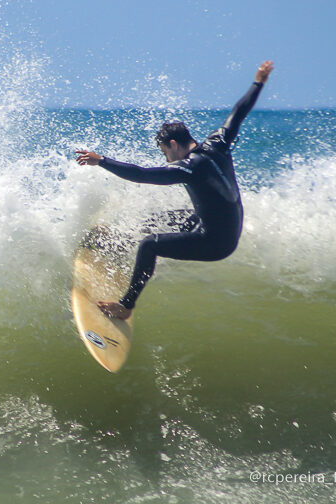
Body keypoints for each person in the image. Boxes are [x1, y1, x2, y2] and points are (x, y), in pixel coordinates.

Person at [76, 60, 274, 320]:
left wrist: (102, 161)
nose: (167, 160)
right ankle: (118, 245)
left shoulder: (188, 167)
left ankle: (126, 306)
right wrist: (258, 81)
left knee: (149, 245)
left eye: (165, 153)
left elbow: (141, 174)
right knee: (156, 220)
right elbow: (239, 111)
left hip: (217, 244)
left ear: (173, 144)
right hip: (225, 228)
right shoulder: (218, 142)